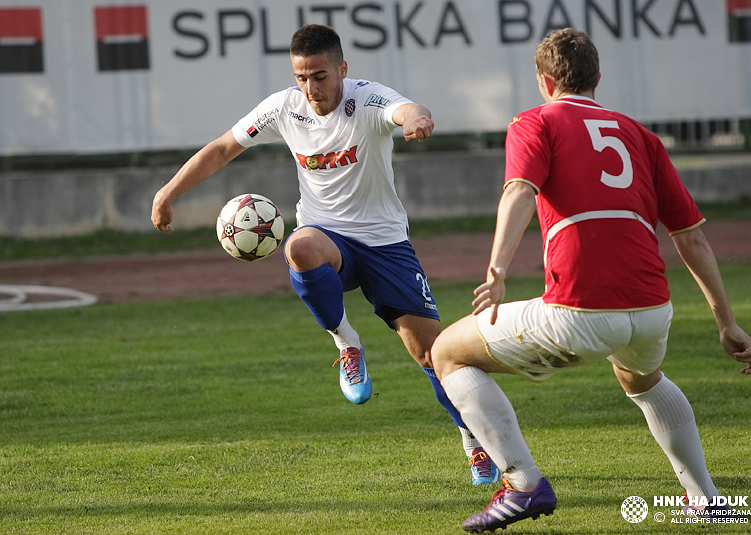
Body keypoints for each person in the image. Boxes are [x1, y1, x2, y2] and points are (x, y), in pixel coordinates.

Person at [430, 28, 751, 533]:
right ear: (599, 79)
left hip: (581, 311)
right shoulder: (641, 136)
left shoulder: (533, 121)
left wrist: (496, 272)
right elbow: (691, 238)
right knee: (642, 379)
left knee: (447, 352)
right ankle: (707, 499)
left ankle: (522, 484)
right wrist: (727, 323)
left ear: (544, 82)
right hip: (652, 311)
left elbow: (519, 191)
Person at [151, 24, 500, 485]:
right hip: (327, 237)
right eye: (301, 77)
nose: (311, 88)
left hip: (385, 245)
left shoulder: (368, 100)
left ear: (342, 69)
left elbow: (405, 109)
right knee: (299, 246)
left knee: (433, 355)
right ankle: (346, 342)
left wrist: (415, 119)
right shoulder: (284, 108)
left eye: (319, 75)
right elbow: (222, 148)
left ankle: (472, 440)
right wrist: (167, 193)